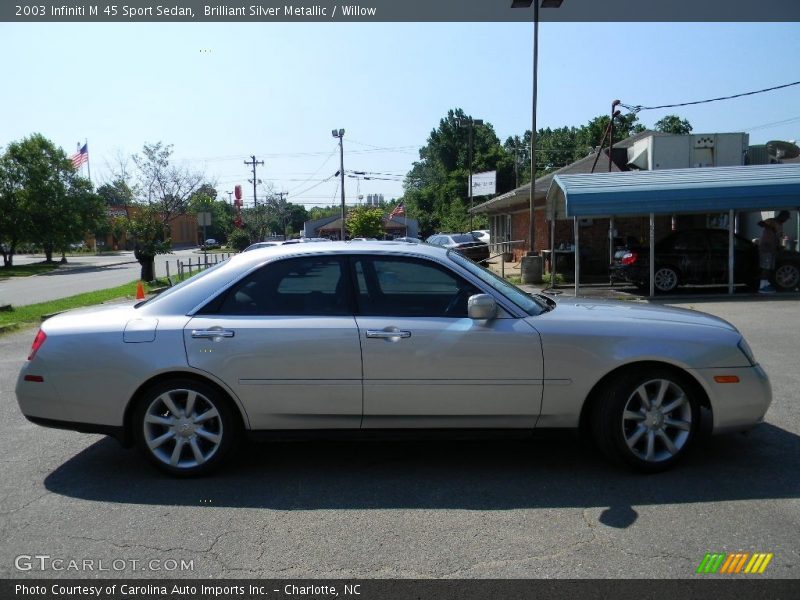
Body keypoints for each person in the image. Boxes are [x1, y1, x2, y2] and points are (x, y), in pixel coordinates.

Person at [757, 210, 790, 294]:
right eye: (786, 218)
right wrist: (770, 228)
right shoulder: (772, 220)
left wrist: (779, 246)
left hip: (772, 249)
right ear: (782, 216)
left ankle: (766, 284)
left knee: (770, 268)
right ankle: (762, 286)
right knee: (766, 267)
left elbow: (778, 236)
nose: (786, 220)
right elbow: (760, 223)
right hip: (766, 247)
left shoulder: (781, 225)